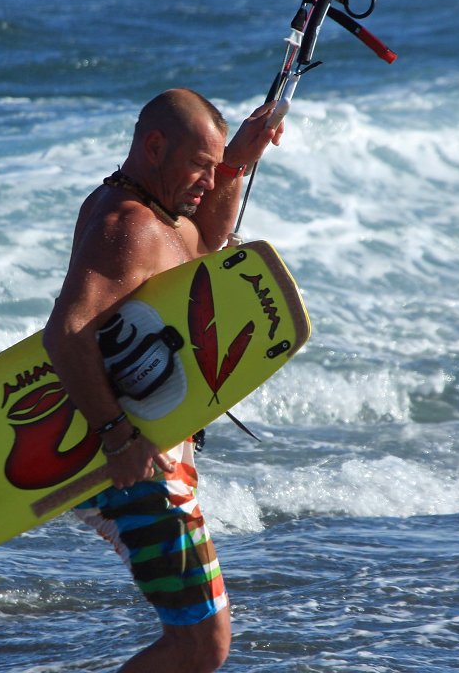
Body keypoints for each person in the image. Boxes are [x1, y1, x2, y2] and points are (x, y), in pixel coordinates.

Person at [43, 88, 283, 672]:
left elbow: (200, 248)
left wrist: (236, 163)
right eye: (201, 166)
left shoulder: (153, 213)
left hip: (146, 442)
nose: (209, 180)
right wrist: (117, 435)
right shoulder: (127, 224)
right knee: (201, 645)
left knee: (198, 642)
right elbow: (66, 333)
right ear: (155, 146)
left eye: (214, 167)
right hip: (133, 459)